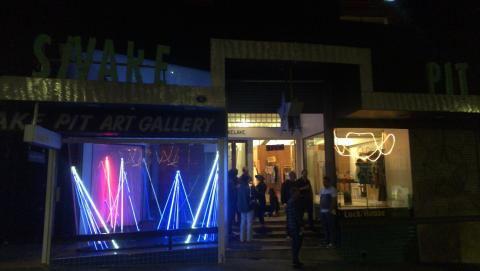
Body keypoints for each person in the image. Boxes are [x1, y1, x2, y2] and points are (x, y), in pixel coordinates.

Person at [286, 186, 304, 268]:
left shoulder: (291, 202)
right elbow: (296, 215)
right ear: (294, 193)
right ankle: (295, 261)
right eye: (297, 192)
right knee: (297, 243)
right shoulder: (293, 202)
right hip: (295, 225)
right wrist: (301, 224)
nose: (299, 193)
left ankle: (296, 260)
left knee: (296, 243)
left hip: (292, 225)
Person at [237, 169, 254, 242]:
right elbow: (250, 197)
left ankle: (242, 238)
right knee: (249, 223)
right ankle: (248, 238)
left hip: (241, 206)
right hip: (249, 207)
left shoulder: (239, 188)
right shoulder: (248, 188)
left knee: (243, 222)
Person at [320, 176, 337, 248]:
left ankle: (331, 242)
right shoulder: (321, 189)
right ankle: (326, 241)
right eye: (323, 182)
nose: (324, 183)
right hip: (322, 211)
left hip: (328, 212)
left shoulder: (332, 190)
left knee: (330, 227)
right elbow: (321, 199)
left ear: (329, 182)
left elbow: (333, 201)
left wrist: (330, 210)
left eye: (325, 182)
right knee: (325, 227)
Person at [227, 168, 238, 239]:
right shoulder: (230, 182)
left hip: (230, 202)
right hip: (231, 202)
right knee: (230, 217)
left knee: (230, 217)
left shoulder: (229, 181)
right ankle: (229, 231)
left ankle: (230, 231)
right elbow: (233, 193)